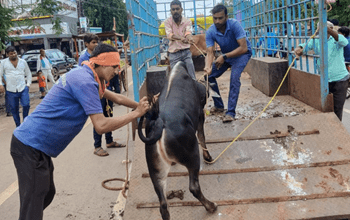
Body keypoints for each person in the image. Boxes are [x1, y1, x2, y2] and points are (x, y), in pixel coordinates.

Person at [10, 44, 150, 220]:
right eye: (115, 66)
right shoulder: (85, 81)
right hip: (29, 144)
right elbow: (101, 125)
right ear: (103, 63)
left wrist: (142, 106)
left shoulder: (89, 76)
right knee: (35, 199)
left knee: (46, 193)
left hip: (37, 146)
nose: (118, 70)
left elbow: (116, 97)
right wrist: (136, 115)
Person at [204, 4, 252, 123]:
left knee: (234, 78)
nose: (218, 21)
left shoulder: (234, 25)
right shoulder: (210, 31)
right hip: (226, 57)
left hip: (241, 55)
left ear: (226, 16)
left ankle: (230, 112)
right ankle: (219, 105)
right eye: (215, 18)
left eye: (220, 18)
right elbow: (210, 53)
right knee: (209, 76)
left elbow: (244, 48)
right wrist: (208, 66)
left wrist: (224, 56)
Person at [294, 21, 349, 121]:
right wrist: (300, 48)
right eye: (320, 29)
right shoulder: (316, 40)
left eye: (324, 29)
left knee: (337, 108)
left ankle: (336, 131)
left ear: (331, 29)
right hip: (324, 80)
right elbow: (305, 45)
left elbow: (344, 42)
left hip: (340, 80)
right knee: (324, 107)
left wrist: (329, 30)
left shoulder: (336, 39)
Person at [164, 0, 196, 79]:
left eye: (177, 9)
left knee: (192, 76)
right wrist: (181, 38)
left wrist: (189, 38)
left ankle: (194, 88)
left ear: (181, 10)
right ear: (170, 11)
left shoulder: (187, 21)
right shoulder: (167, 22)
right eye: (173, 9)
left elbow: (188, 32)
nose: (175, 11)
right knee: (175, 78)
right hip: (174, 54)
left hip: (186, 52)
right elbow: (169, 35)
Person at [0, 46, 32, 127]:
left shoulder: (23, 62)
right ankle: (18, 126)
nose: (14, 55)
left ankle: (25, 122)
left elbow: (28, 73)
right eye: (11, 54)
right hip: (11, 89)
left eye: (14, 53)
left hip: (23, 87)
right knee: (14, 109)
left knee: (26, 105)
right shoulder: (3, 63)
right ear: (7, 54)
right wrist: (1, 84)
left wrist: (28, 84)